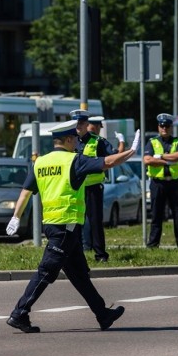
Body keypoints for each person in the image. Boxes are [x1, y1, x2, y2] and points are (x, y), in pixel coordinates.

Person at [5, 119, 140, 333]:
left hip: (53, 224)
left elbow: (26, 191)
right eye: (75, 138)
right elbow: (107, 162)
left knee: (79, 275)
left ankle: (103, 314)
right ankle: (19, 313)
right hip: (66, 226)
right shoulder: (74, 161)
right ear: (67, 140)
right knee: (46, 271)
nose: (78, 141)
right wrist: (130, 151)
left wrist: (16, 217)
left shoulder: (40, 162)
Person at [72, 111, 121, 262]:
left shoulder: (98, 141)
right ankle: (77, 253)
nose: (78, 126)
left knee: (95, 221)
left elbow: (112, 158)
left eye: (81, 123)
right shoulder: (70, 141)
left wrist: (123, 145)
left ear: (87, 125)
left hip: (93, 188)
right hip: (76, 187)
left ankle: (100, 254)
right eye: (76, 123)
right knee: (75, 221)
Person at [144, 113, 178, 248]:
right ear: (158, 127)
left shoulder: (177, 141)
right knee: (156, 215)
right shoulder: (152, 142)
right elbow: (147, 160)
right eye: (162, 126)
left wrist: (161, 157)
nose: (164, 128)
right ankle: (153, 245)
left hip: (175, 183)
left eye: (167, 126)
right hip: (158, 183)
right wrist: (170, 160)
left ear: (171, 127)